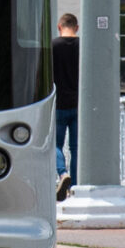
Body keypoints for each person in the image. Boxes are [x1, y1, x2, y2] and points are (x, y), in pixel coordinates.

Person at [52, 13, 79, 200]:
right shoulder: (84, 46)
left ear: (59, 27)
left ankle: (63, 174)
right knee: (76, 148)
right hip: (79, 105)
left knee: (55, 144)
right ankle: (75, 187)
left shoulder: (53, 46)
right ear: (76, 28)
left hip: (58, 104)